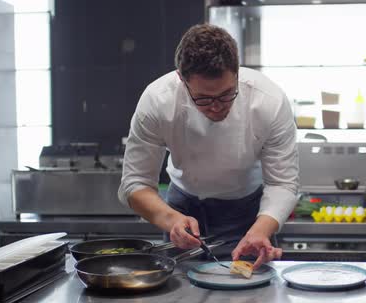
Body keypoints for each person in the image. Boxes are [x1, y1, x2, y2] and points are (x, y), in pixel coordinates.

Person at [118, 24, 299, 269]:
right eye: (203, 98)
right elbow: (134, 183)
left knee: (250, 302)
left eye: (226, 95)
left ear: (237, 73)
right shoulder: (157, 100)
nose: (216, 106)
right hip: (181, 210)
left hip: (247, 215)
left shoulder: (269, 101)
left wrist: (261, 230)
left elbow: (282, 183)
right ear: (181, 79)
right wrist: (172, 220)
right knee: (177, 299)